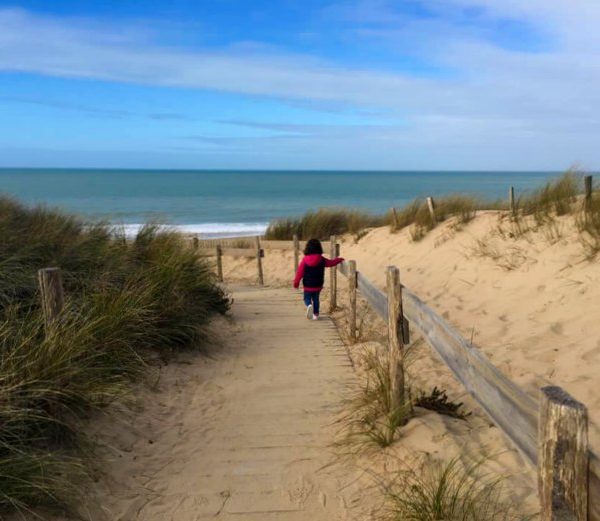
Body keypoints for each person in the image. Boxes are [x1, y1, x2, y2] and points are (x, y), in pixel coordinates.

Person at [293, 238, 344, 320]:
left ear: (308, 248)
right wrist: (338, 260)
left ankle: (309, 305)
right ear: (319, 248)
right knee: (316, 299)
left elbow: (299, 273)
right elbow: (331, 263)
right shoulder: (321, 259)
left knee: (306, 298)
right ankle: (316, 314)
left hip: (308, 285)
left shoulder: (305, 260)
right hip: (318, 285)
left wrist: (296, 283)